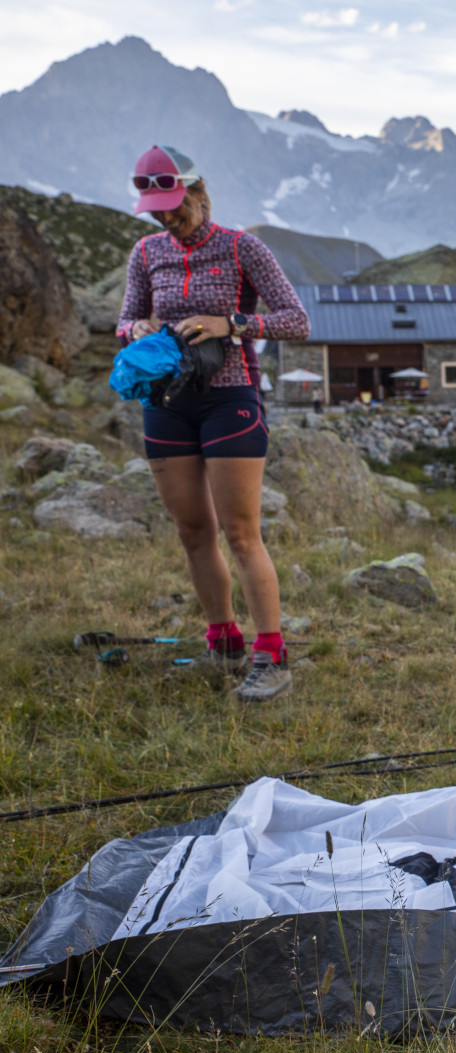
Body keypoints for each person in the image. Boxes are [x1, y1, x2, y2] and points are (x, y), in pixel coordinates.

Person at [116, 145, 310, 702]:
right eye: (157, 210)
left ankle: (271, 657)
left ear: (199, 192)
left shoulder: (241, 246)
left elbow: (296, 319)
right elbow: (124, 321)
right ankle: (222, 644)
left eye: (175, 206)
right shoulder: (146, 251)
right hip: (167, 401)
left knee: (241, 533)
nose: (167, 218)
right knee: (192, 531)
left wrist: (229, 324)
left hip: (230, 399)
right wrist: (141, 329)